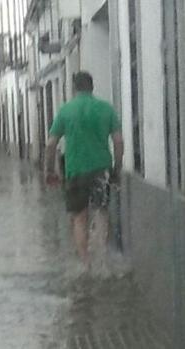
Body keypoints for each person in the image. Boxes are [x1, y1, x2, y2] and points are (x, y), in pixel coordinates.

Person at [45, 72, 124, 269]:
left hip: (75, 172)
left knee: (79, 218)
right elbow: (118, 141)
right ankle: (102, 262)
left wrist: (49, 171)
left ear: (75, 88)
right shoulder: (106, 109)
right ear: (92, 87)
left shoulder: (65, 111)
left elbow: (50, 144)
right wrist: (117, 168)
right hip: (101, 170)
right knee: (101, 214)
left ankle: (86, 264)